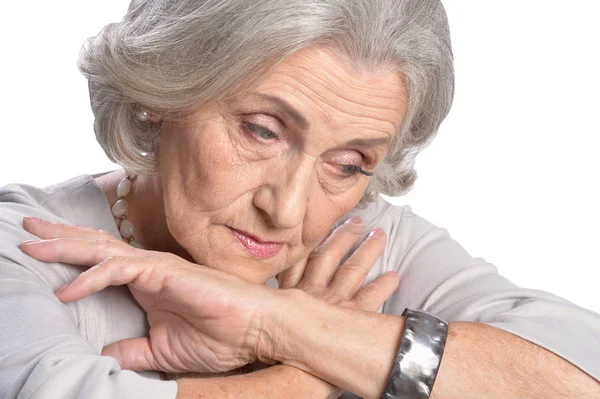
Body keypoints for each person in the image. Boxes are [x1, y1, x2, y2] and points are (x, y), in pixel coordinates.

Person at [1, 0, 599, 398]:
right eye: (262, 130)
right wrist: (303, 376)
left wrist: (278, 324)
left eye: (347, 164)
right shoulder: (21, 245)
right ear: (163, 89)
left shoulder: (364, 247)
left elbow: (580, 378)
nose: (288, 210)